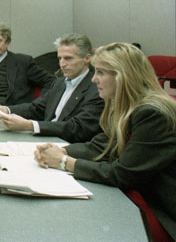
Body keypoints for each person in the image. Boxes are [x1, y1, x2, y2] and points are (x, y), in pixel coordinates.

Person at [35, 43, 176, 241]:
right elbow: (100, 146)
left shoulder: (152, 114)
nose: (94, 79)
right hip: (136, 193)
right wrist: (60, 150)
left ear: (123, 76)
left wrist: (63, 162)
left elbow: (122, 174)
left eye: (100, 73)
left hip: (158, 209)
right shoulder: (125, 104)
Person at [0, 33, 103, 143]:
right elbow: (37, 108)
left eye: (68, 58)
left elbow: (77, 128)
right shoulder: (59, 83)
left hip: (67, 145)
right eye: (60, 58)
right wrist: (6, 110)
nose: (62, 64)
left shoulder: (97, 89)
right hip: (45, 139)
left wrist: (29, 125)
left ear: (87, 58)